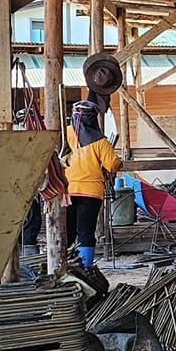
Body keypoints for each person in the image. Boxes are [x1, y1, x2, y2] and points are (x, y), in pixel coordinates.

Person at [64, 99, 122, 273]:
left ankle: (63, 266)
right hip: (91, 193)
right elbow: (112, 164)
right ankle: (86, 269)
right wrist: (118, 162)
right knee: (86, 232)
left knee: (67, 231)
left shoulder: (64, 135)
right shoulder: (100, 141)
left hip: (67, 191)